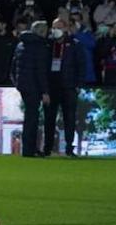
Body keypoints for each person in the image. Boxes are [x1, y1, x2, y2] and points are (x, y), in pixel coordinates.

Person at [11, 20, 51, 158]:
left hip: (23, 86)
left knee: (30, 117)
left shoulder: (21, 44)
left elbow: (13, 66)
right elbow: (41, 71)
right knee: (32, 118)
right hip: (34, 86)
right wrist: (45, 91)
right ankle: (29, 149)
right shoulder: (40, 46)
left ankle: (29, 148)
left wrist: (17, 83)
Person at [44, 17, 83, 158]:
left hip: (69, 86)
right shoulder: (48, 44)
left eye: (59, 27)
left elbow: (81, 65)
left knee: (69, 118)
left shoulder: (74, 45)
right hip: (52, 86)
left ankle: (69, 148)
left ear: (66, 29)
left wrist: (78, 84)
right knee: (49, 118)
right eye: (54, 27)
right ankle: (47, 148)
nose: (56, 31)